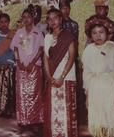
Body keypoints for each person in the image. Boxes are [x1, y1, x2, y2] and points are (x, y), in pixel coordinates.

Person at [82, 16, 114, 137]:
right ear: (90, 35)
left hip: (111, 90)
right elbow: (87, 76)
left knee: (112, 122)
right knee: (99, 124)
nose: (98, 36)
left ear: (108, 33)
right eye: (94, 33)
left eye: (101, 32)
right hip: (95, 92)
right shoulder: (88, 50)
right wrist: (87, 97)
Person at [43, 8, 78, 137]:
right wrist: (48, 76)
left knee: (67, 111)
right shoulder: (47, 37)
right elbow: (45, 58)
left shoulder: (68, 35)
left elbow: (72, 56)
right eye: (49, 19)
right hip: (52, 78)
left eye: (55, 18)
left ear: (60, 19)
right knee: (54, 111)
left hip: (67, 77)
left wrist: (62, 76)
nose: (52, 21)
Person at [10, 8, 44, 135]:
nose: (26, 19)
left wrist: (32, 63)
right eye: (23, 17)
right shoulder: (19, 32)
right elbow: (15, 48)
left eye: (28, 16)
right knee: (22, 94)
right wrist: (18, 61)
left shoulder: (38, 32)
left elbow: (41, 49)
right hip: (21, 68)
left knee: (34, 95)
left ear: (33, 18)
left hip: (34, 68)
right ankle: (23, 121)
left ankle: (35, 121)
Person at [0, 13, 15, 118]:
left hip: (9, 66)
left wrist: (9, 62)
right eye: (1, 22)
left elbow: (14, 50)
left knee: (9, 87)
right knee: (0, 87)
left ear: (9, 22)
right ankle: (2, 108)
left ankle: (9, 109)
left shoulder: (13, 35)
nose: (4, 24)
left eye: (6, 22)